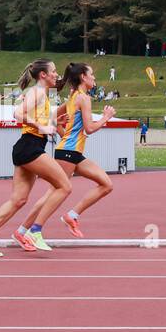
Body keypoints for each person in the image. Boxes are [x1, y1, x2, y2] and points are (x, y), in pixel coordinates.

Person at [0, 59, 72, 257]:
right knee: (64, 186)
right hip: (30, 147)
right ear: (43, 75)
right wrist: (42, 127)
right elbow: (17, 114)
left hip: (27, 147)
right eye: (53, 71)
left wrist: (53, 121)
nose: (56, 75)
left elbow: (34, 118)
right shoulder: (36, 92)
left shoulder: (42, 94)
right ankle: (35, 231)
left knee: (18, 200)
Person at [18, 62, 116, 239]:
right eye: (92, 74)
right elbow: (90, 128)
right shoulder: (82, 98)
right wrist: (106, 118)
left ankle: (71, 216)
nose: (94, 78)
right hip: (68, 152)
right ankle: (24, 231)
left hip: (73, 152)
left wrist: (63, 132)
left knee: (106, 184)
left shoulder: (74, 96)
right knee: (53, 193)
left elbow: (54, 118)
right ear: (83, 77)